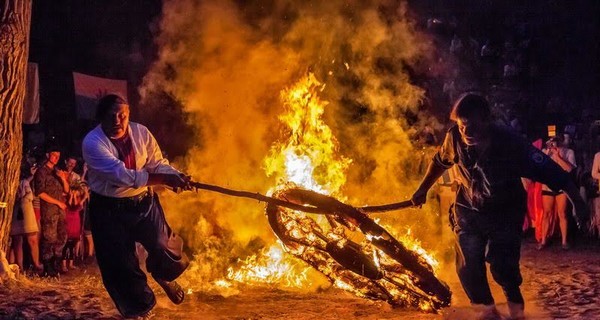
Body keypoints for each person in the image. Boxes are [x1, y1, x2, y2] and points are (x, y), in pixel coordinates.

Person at [409, 93, 587, 320]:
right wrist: (422, 190)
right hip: (468, 210)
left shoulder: (512, 144)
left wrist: (578, 202)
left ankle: (516, 310)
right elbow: (439, 162)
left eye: (472, 125)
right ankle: (487, 312)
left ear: (487, 120)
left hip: (505, 212)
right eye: (463, 126)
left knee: (503, 266)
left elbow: (552, 172)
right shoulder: (454, 137)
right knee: (468, 267)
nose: (467, 132)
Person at [82, 94, 191, 319]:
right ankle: (140, 309)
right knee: (121, 265)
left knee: (165, 246)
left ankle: (164, 276)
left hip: (143, 203)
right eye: (112, 115)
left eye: (122, 115)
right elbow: (122, 176)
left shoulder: (141, 132)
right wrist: (164, 180)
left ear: (128, 114)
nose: (118, 120)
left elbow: (157, 163)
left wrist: (176, 175)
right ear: (101, 116)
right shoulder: (92, 143)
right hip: (108, 210)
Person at [33, 145, 70, 277]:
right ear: (48, 155)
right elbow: (40, 192)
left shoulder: (57, 171)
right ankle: (48, 267)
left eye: (58, 156)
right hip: (49, 210)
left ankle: (57, 264)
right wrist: (57, 202)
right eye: (54, 155)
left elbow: (66, 190)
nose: (56, 158)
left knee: (62, 236)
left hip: (60, 211)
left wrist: (63, 179)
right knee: (49, 237)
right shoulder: (42, 171)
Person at [538, 136, 576, 250]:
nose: (553, 143)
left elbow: (569, 169)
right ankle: (543, 240)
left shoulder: (569, 152)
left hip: (561, 186)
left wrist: (558, 156)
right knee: (546, 213)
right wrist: (548, 154)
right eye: (551, 140)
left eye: (555, 140)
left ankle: (564, 241)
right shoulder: (545, 152)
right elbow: (539, 167)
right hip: (548, 186)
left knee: (562, 213)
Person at [9, 163, 43, 274]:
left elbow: (30, 196)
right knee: (17, 242)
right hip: (15, 214)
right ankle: (20, 268)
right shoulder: (9, 183)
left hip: (26, 213)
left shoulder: (25, 183)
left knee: (32, 240)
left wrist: (20, 199)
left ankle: (36, 264)